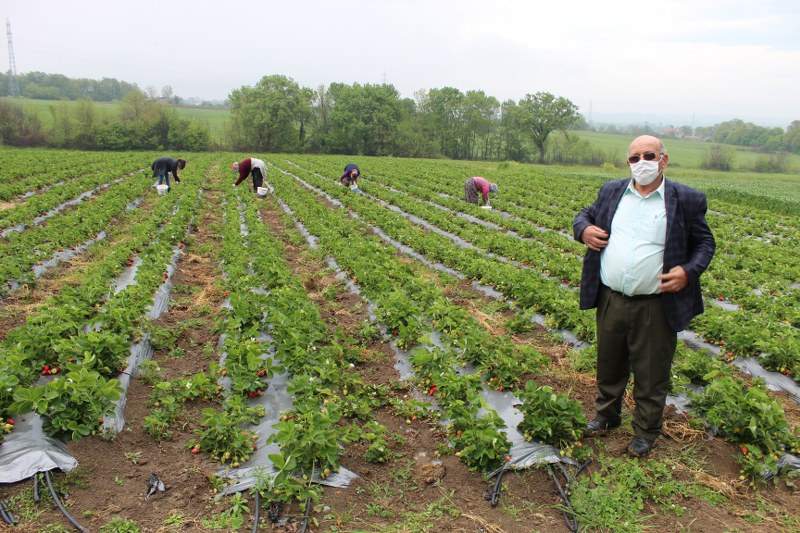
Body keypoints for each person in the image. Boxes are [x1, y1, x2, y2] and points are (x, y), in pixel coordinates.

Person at [573, 135, 715, 458]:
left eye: (648, 155)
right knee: (609, 363)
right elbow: (585, 215)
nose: (641, 163)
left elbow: (705, 243)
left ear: (664, 159)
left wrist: (689, 272)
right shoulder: (612, 192)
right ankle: (606, 416)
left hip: (655, 303)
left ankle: (646, 431)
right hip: (611, 297)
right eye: (634, 158)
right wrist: (582, 229)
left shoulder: (687, 199)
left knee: (651, 371)